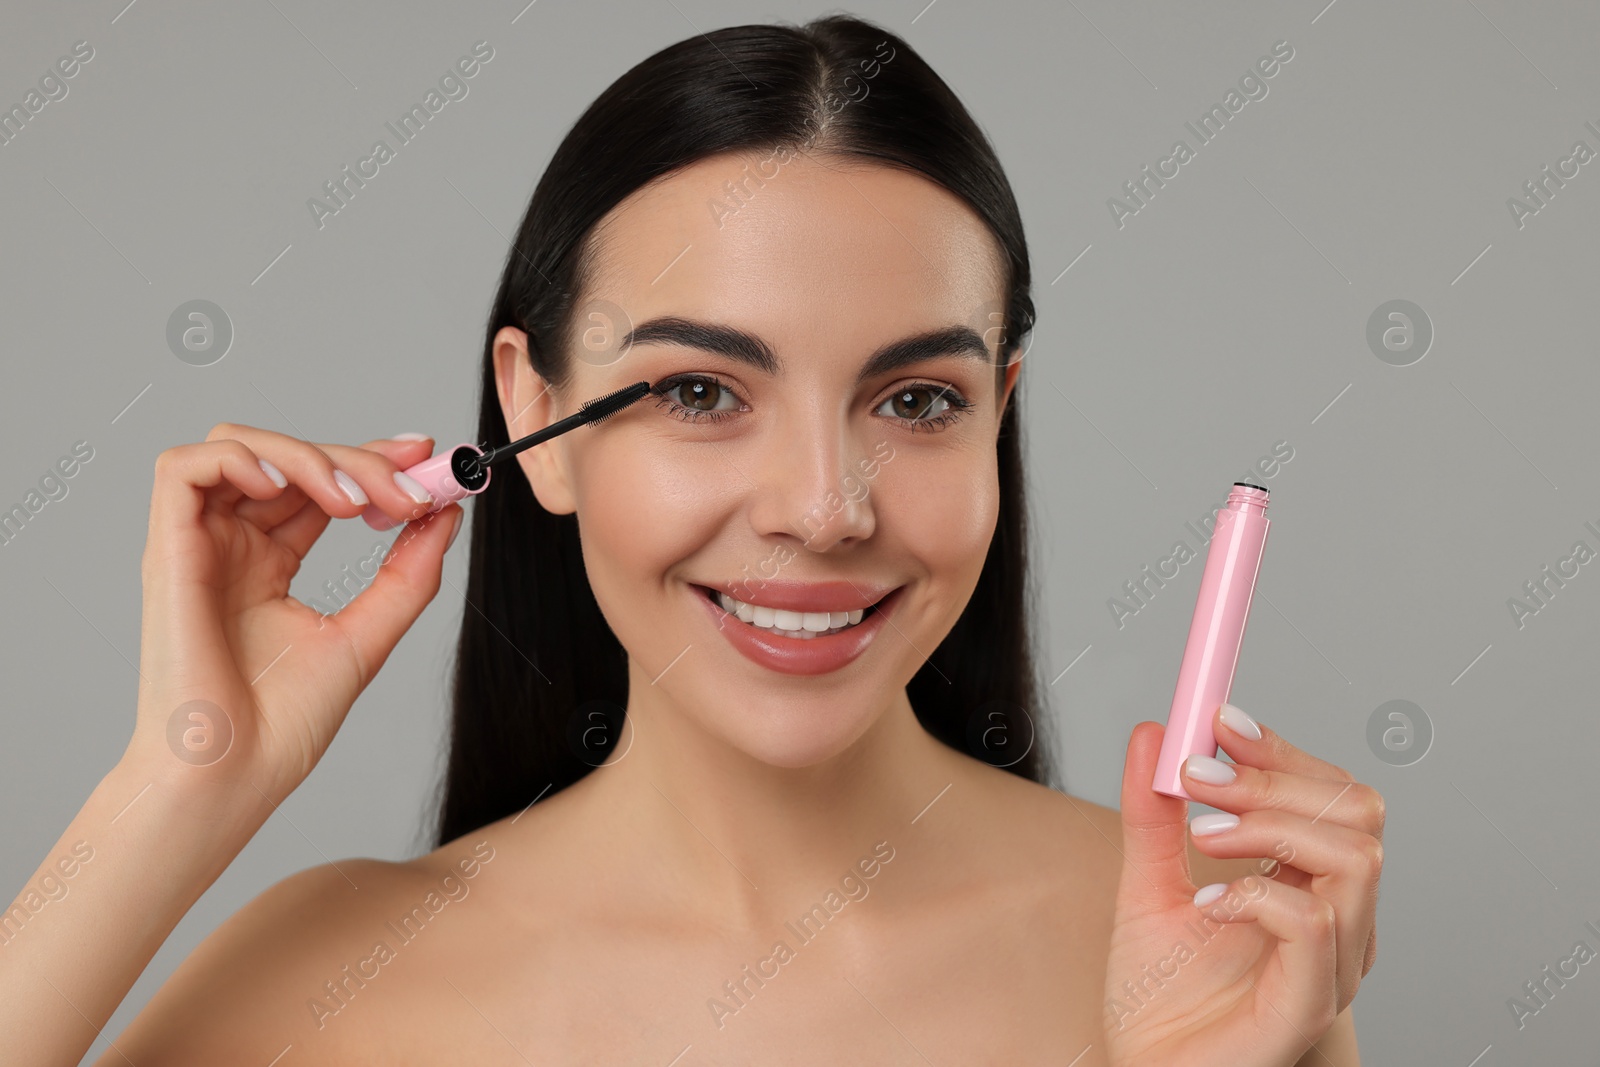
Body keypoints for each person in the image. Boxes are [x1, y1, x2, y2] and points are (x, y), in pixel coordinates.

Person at [2, 14, 1380, 1065]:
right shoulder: (324, 980)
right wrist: (170, 794)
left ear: (998, 415)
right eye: (702, 392)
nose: (824, 508)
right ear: (532, 408)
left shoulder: (1217, 944)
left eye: (917, 400)